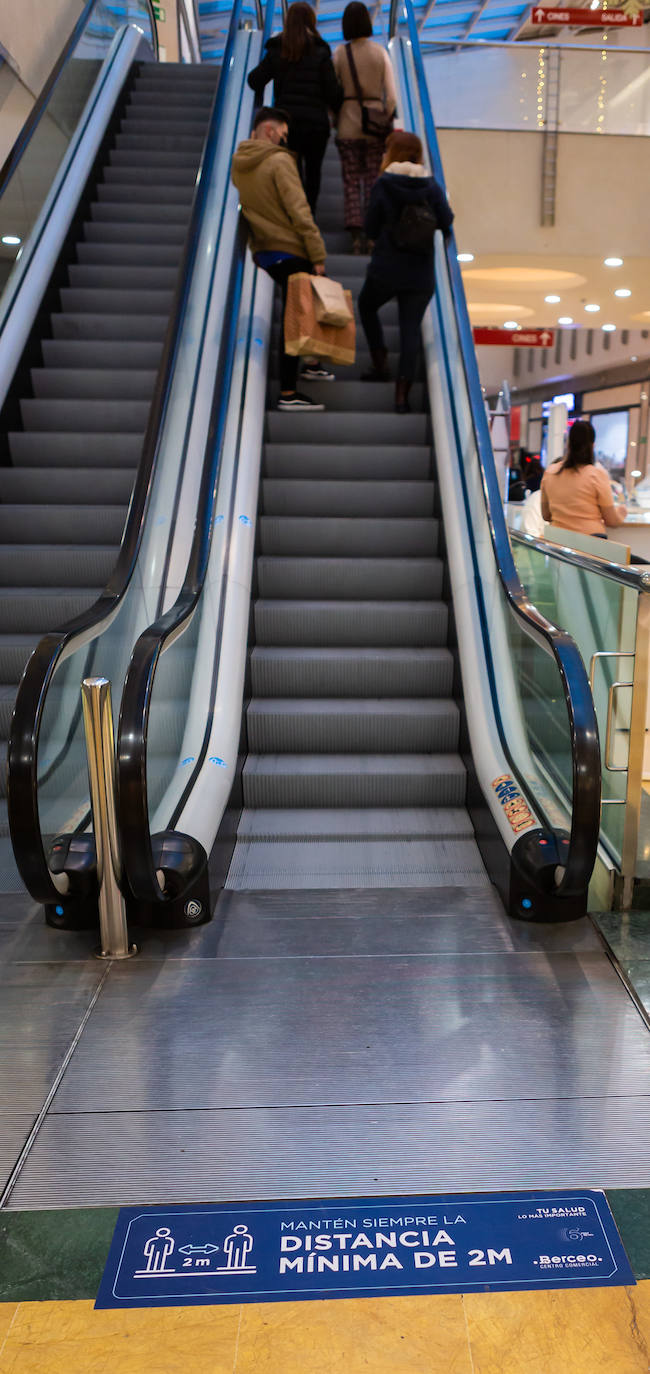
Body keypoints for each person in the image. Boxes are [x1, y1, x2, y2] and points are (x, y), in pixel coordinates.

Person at [231, 106, 330, 412]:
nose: (285, 141)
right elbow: (299, 210)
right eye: (283, 134)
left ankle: (312, 362)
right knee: (296, 317)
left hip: (267, 252)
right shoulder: (278, 161)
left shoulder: (239, 164)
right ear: (270, 131)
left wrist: (255, 251)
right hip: (291, 249)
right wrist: (318, 253)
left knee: (299, 309)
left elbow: (247, 212)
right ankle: (289, 391)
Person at [357, 130, 454, 414]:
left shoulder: (384, 183)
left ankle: (380, 362)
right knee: (410, 330)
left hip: (387, 268)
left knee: (366, 305)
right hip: (420, 272)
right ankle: (401, 396)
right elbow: (446, 220)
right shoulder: (431, 186)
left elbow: (371, 227)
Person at [247, 3, 342, 215]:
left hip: (286, 125)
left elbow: (254, 80)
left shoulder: (278, 49)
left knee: (291, 172)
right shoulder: (320, 50)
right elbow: (332, 92)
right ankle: (309, 215)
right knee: (314, 172)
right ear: (311, 21)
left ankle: (293, 215)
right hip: (316, 125)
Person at [333, 2, 397, 253]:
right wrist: (384, 116)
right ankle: (373, 233)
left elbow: (333, 90)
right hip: (375, 127)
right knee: (372, 179)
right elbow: (391, 96)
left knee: (350, 180)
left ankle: (355, 234)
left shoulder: (340, 53)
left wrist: (335, 117)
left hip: (347, 124)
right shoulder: (380, 52)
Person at [540, 420, 627, 536]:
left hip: (557, 542)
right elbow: (611, 521)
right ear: (592, 445)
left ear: (568, 444)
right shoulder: (597, 475)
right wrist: (621, 513)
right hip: (590, 544)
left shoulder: (550, 472)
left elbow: (546, 515)